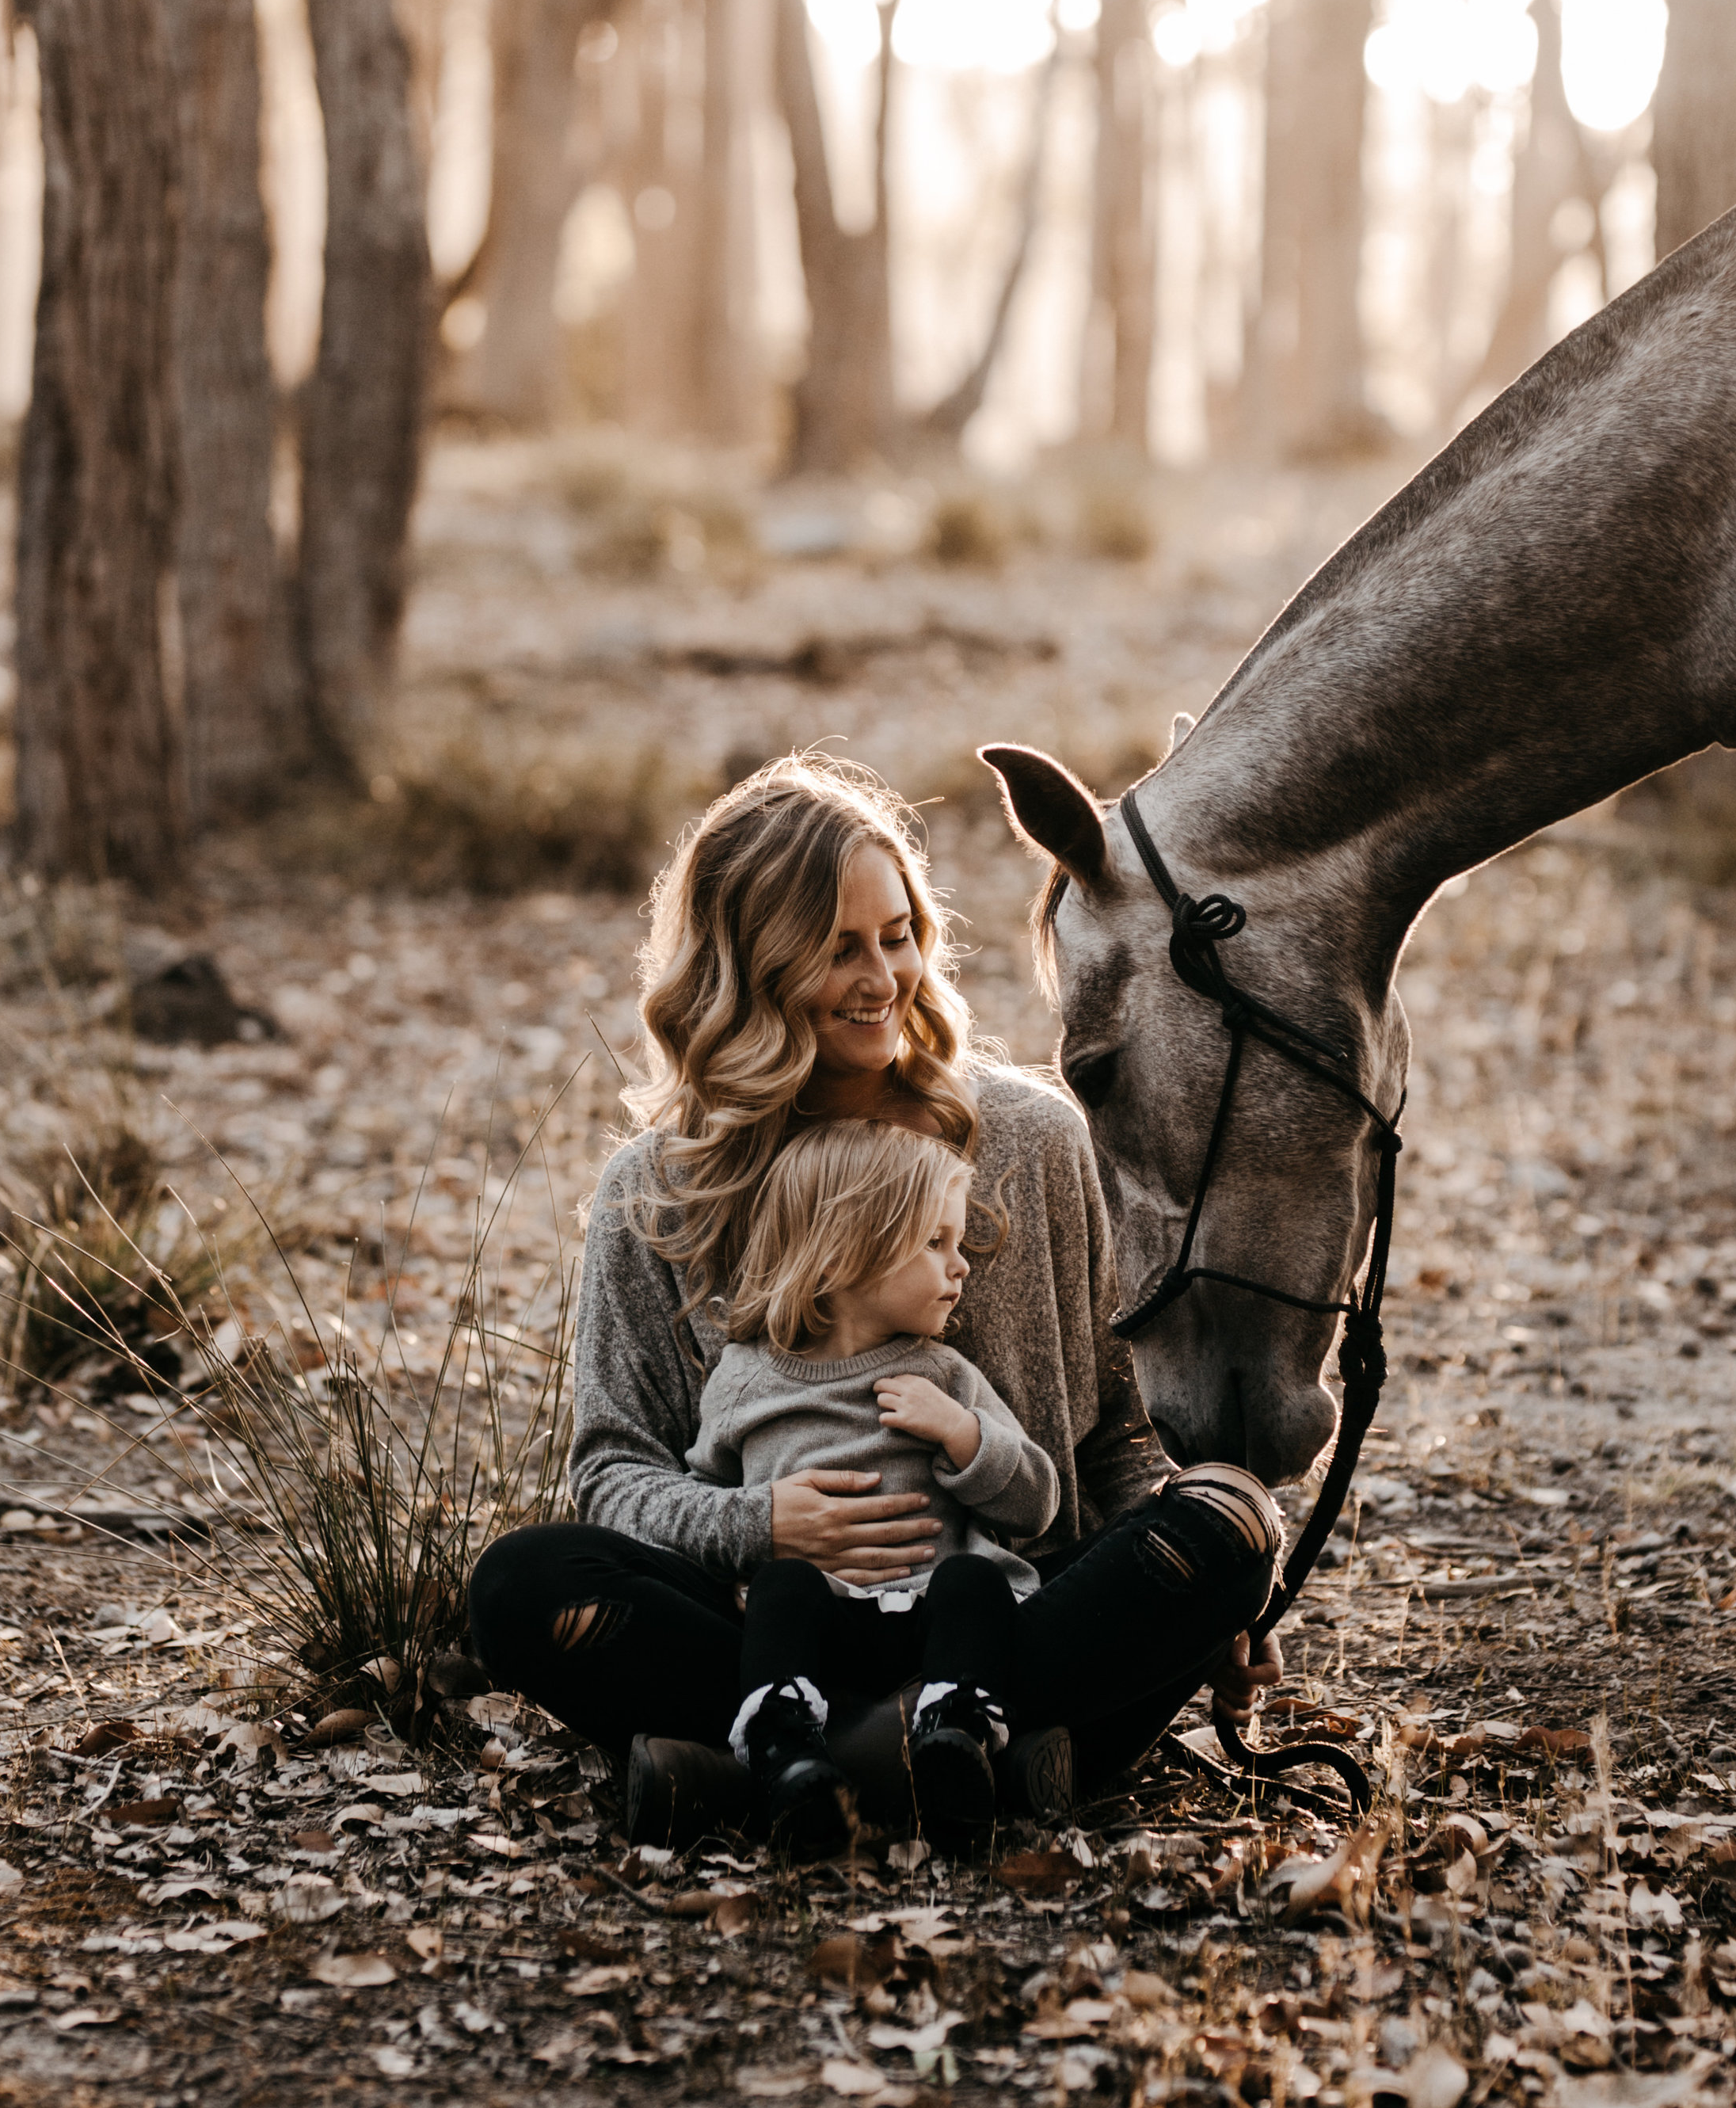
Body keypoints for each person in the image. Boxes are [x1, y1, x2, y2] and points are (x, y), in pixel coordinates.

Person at [466, 752, 1284, 1842]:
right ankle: (968, 1763)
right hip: (772, 1623)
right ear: (748, 965)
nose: (882, 974)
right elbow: (616, 1468)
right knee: (518, 1585)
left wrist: (1208, 1598)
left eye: (897, 934)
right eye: (837, 947)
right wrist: (756, 1522)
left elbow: (1110, 1441)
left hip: (996, 1611)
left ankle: (768, 1770)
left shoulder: (1029, 1140)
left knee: (1231, 1518)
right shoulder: (658, 1189)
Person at [692, 1121, 1059, 1860]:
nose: (961, 1267)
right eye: (936, 1243)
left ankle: (953, 1734)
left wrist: (962, 1434)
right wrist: (755, 1531)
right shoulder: (744, 1380)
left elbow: (1035, 1503)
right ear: (847, 1248)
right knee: (784, 1589)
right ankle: (787, 1751)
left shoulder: (948, 1377)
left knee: (974, 1582)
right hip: (824, 1629)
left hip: (931, 1629)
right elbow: (702, 1501)